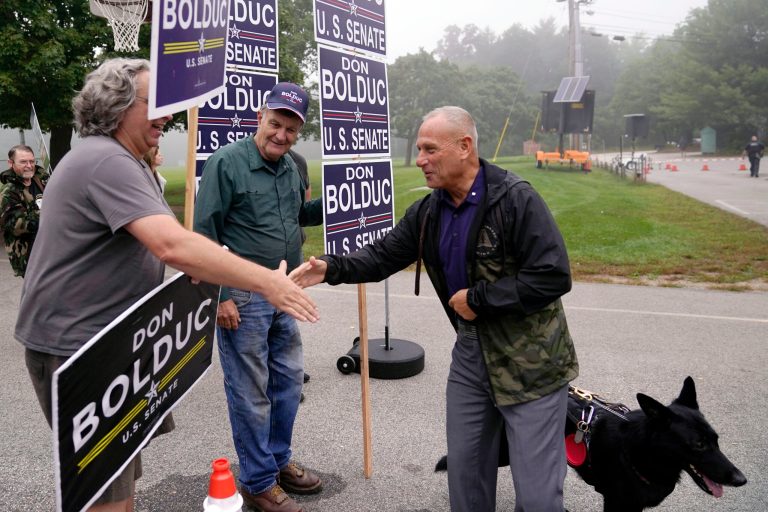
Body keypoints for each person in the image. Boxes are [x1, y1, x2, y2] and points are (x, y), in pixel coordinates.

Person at [15, 59, 319, 512]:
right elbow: (175, 244)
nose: (169, 115)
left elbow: (171, 245)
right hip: (77, 347)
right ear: (117, 105)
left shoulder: (127, 161)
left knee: (120, 479)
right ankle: (259, 478)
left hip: (110, 341)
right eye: (156, 104)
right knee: (104, 494)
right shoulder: (104, 159)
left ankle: (277, 462)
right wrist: (259, 284)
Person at [292, 106, 579, 511]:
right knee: (465, 475)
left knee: (537, 496)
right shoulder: (429, 211)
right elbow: (382, 256)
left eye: (429, 149)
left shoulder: (515, 199)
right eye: (420, 149)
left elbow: (552, 275)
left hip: (533, 363)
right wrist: (331, 267)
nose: (421, 159)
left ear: (464, 147)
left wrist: (479, 299)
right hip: (471, 356)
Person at [193, 82, 323, 512]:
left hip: (286, 292)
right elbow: (203, 235)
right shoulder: (226, 163)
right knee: (251, 393)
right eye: (275, 123)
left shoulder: (292, 166)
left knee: (287, 383)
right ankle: (257, 480)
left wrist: (338, 202)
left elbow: (297, 215)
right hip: (244, 299)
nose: (281, 135)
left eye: (291, 129)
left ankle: (278, 460)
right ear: (260, 117)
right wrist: (222, 296)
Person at [1, 145, 48, 277]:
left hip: (53, 248)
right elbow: (16, 224)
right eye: (23, 162)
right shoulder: (8, 191)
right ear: (11, 163)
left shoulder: (43, 181)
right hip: (30, 255)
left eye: (32, 161)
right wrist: (50, 214)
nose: (29, 165)